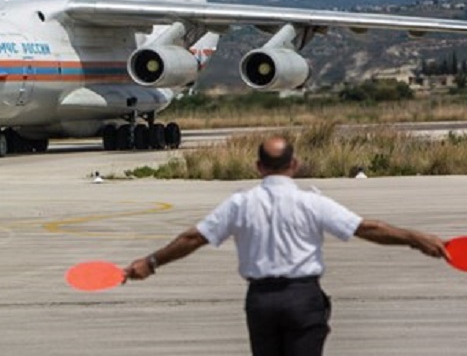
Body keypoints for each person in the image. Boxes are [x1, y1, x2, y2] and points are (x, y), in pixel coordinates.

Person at [124, 136, 448, 356]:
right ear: (294, 165)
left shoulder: (240, 203)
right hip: (302, 298)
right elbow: (367, 228)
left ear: (258, 167)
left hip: (261, 301)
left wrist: (151, 262)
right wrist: (416, 239)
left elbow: (192, 238)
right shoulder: (311, 202)